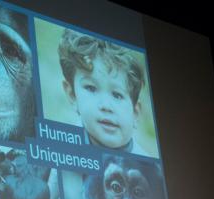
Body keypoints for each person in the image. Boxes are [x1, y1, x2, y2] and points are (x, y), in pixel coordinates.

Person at [58, 28, 148, 156]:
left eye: (117, 95)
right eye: (91, 88)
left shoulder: (149, 169)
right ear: (72, 95)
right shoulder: (63, 153)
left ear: (135, 113)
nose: (106, 106)